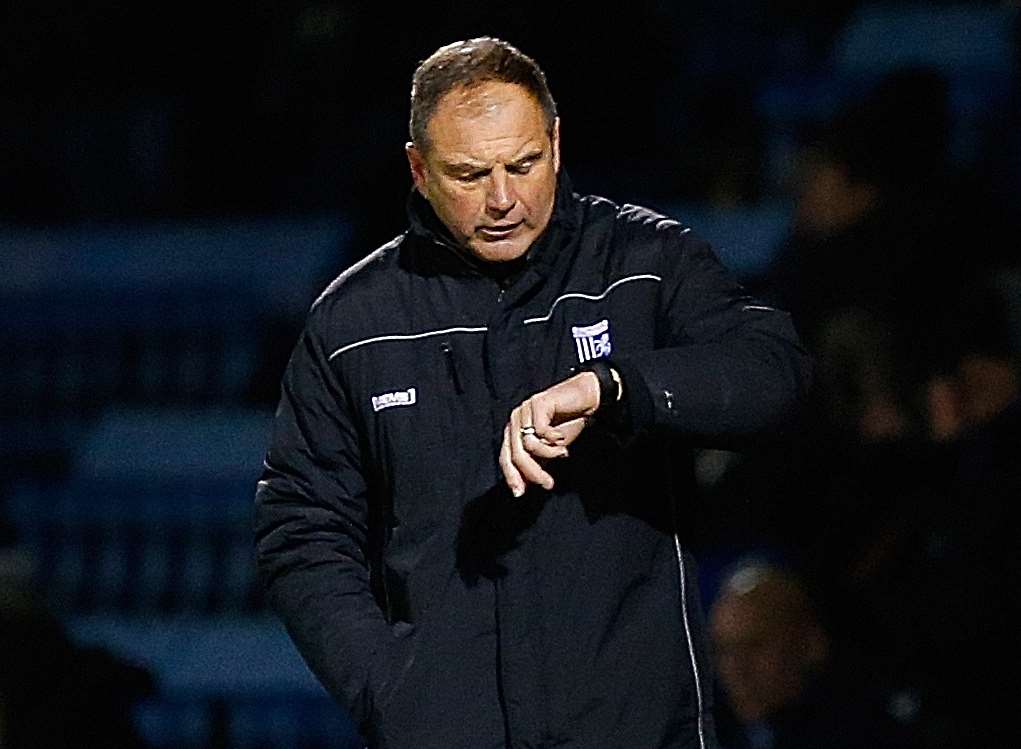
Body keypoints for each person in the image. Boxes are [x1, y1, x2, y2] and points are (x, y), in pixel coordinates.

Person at [254, 37, 811, 749]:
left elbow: (774, 373)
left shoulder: (645, 264)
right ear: (417, 170)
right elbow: (301, 526)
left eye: (523, 163)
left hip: (638, 727)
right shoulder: (354, 323)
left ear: (555, 140)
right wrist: (390, 687)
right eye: (468, 173)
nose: (502, 199)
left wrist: (617, 387)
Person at [709, 561, 910, 749]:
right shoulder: (709, 729)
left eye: (754, 646)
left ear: (809, 643)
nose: (735, 670)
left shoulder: (870, 731)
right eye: (724, 650)